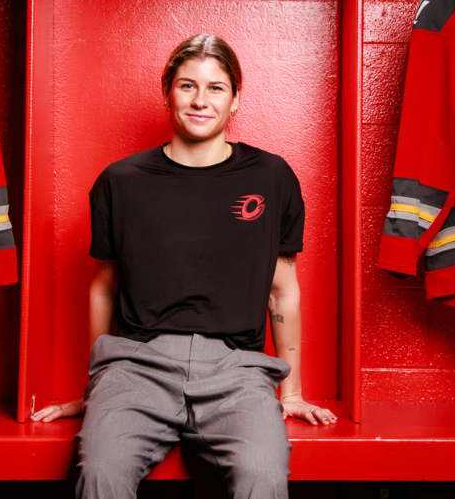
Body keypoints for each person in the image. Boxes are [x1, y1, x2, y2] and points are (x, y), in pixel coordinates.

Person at [31, 34, 335, 498]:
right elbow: (103, 286)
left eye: (216, 88)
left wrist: (290, 393)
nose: (200, 100)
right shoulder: (121, 181)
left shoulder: (271, 177)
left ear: (236, 100)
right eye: (187, 85)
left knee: (264, 476)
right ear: (167, 92)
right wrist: (97, 387)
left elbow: (282, 289)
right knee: (102, 473)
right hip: (138, 365)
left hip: (238, 370)